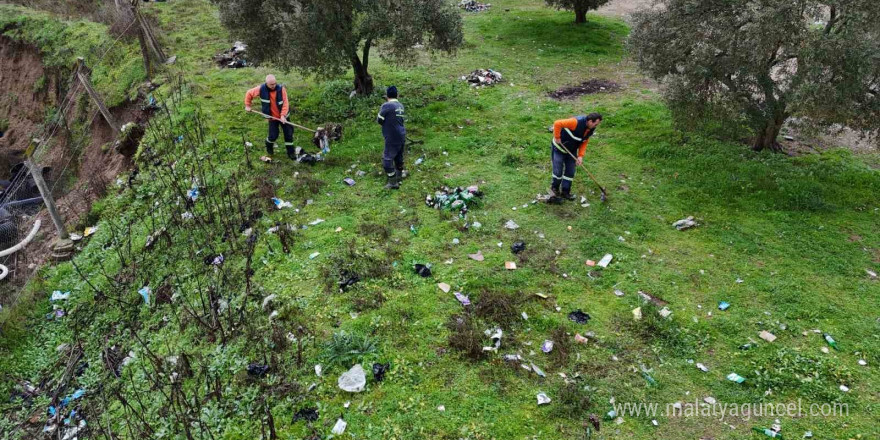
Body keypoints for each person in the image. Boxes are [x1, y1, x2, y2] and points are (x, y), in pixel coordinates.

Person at [549, 113, 602, 200]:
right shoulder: (575, 122)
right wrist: (557, 137)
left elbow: (584, 141)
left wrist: (580, 156)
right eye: (595, 124)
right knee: (558, 171)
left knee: (570, 172)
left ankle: (565, 192)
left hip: (571, 151)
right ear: (590, 121)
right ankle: (554, 189)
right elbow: (557, 123)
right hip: (559, 148)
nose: (596, 126)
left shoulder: (590, 129)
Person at [244, 75, 293, 160]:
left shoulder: (281, 89)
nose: (273, 86)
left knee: (288, 134)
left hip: (284, 117)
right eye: (271, 84)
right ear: (266, 83)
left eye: (274, 83)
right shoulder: (261, 89)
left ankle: (291, 153)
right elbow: (249, 93)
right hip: (272, 118)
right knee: (273, 136)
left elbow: (285, 103)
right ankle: (268, 145)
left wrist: (283, 115)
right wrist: (248, 105)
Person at [377, 86, 406, 190]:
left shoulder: (387, 106)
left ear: (387, 96)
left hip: (392, 135)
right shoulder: (400, 105)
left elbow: (379, 120)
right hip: (401, 134)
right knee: (398, 156)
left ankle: (393, 182)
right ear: (397, 95)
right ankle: (399, 175)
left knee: (387, 159)